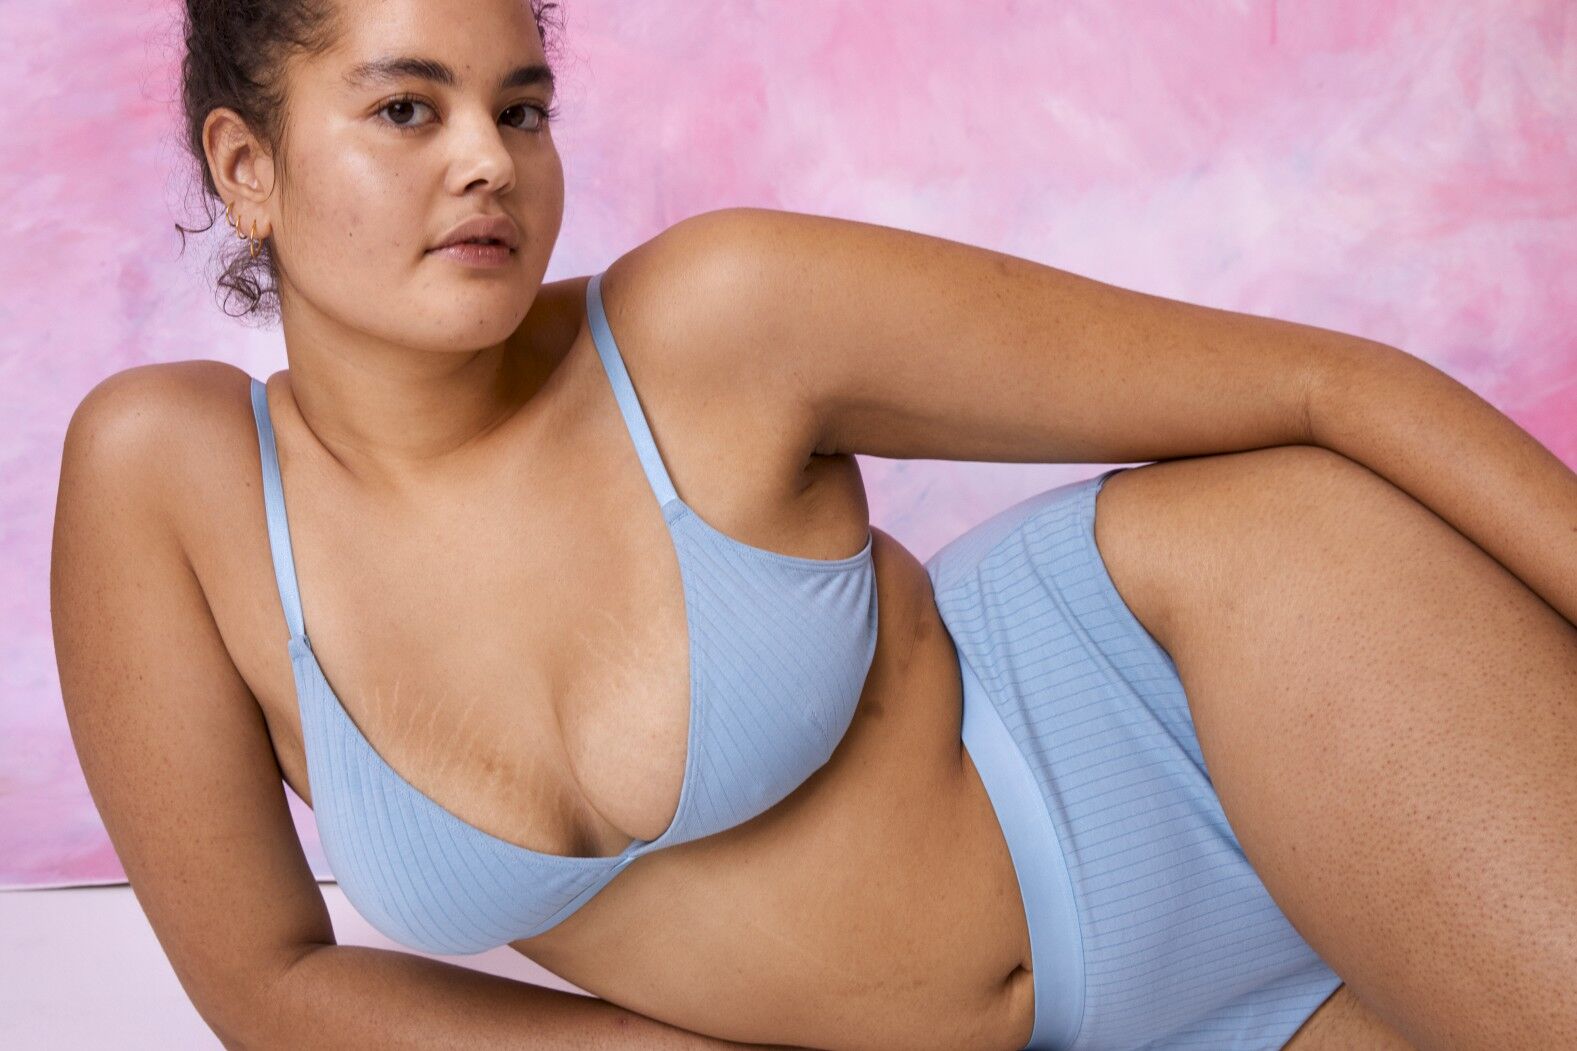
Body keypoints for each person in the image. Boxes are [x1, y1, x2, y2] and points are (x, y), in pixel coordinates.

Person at [48, 1, 1577, 1049]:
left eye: (520, 108)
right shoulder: (167, 480)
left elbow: (1328, 386)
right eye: (406, 108)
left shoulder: (714, 319)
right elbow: (268, 983)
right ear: (246, 167)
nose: (487, 160)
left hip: (1224, 695)